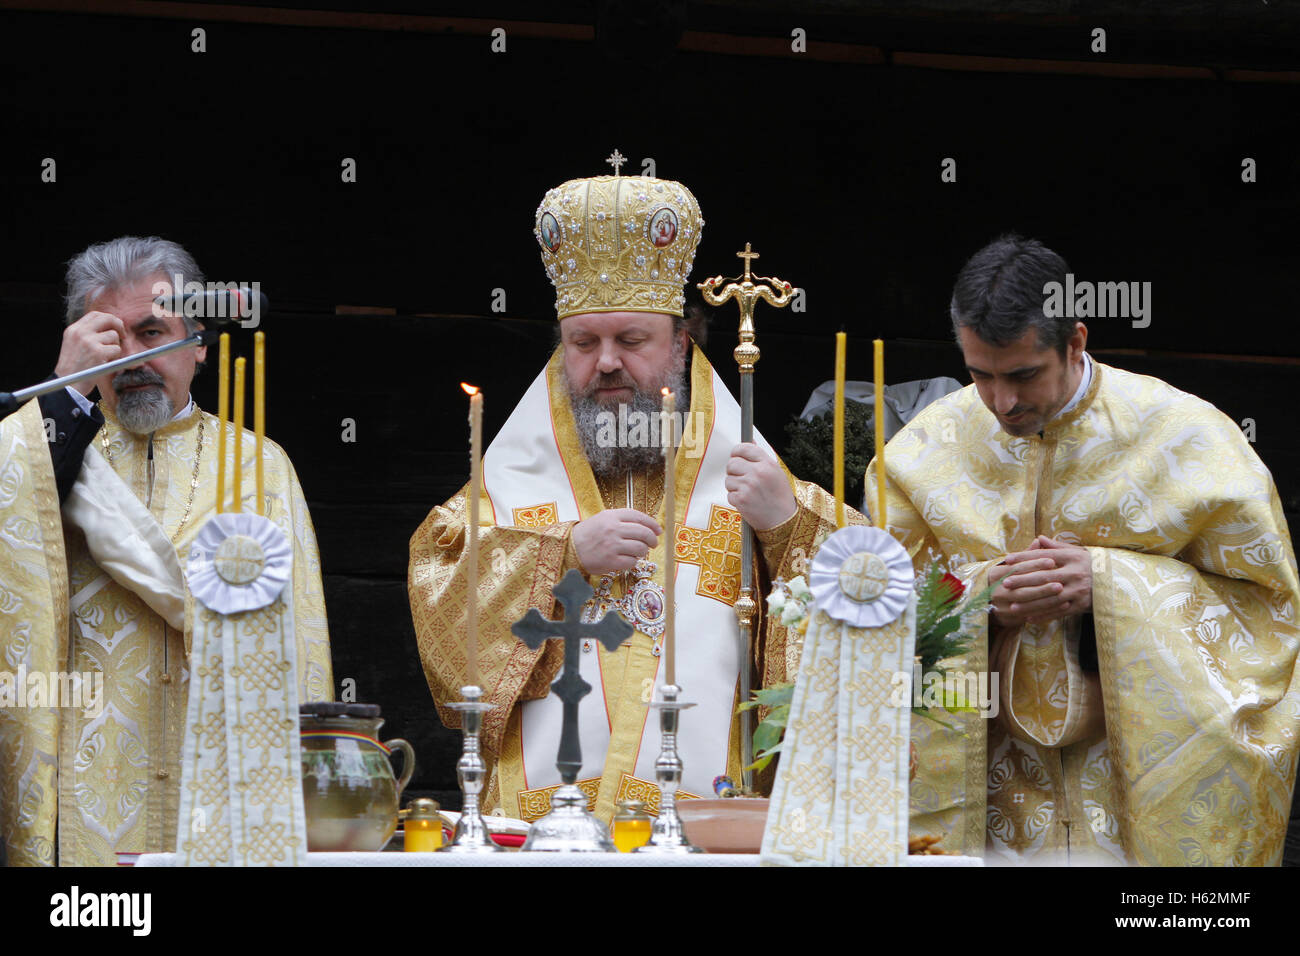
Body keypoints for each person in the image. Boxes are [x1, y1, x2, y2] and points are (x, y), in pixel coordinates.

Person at [408, 171, 853, 824]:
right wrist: (559, 555)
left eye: (631, 340)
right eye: (584, 343)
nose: (607, 362)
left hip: (707, 827)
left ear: (681, 342)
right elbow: (440, 585)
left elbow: (872, 583)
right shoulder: (505, 492)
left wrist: (787, 529)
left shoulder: (758, 481)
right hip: (540, 832)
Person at [867, 234, 1299, 865]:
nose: (1002, 403)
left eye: (1022, 375)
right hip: (986, 804)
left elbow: (1270, 613)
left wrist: (1112, 584)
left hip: (1132, 809)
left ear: (1075, 341)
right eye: (979, 376)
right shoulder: (921, 454)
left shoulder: (1186, 436)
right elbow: (871, 613)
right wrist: (979, 597)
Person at [0, 236, 334, 866]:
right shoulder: (42, 452)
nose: (131, 358)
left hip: (218, 776)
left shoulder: (261, 467)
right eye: (107, 338)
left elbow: (301, 637)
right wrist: (64, 387)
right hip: (79, 779)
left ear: (199, 344)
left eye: (152, 333)